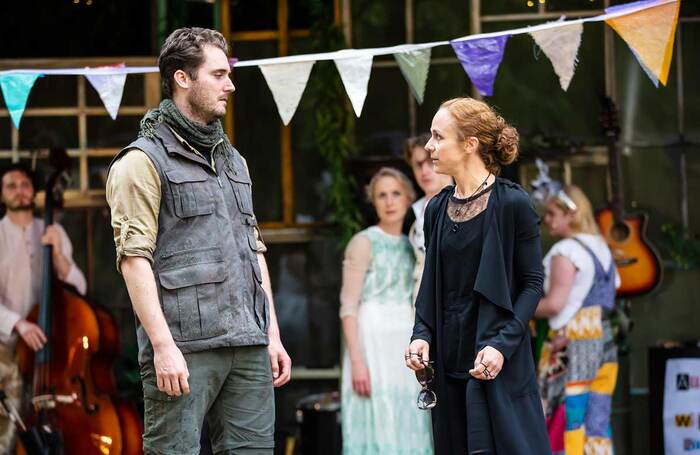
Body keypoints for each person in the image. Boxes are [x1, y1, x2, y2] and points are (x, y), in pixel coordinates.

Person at [106, 27, 291, 454]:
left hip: (248, 342)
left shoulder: (233, 159)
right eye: (219, 74)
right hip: (183, 349)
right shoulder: (141, 162)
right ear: (182, 78)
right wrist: (162, 346)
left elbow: (253, 249)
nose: (231, 84)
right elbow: (133, 260)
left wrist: (272, 335)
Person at [405, 97, 551, 454]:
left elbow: (532, 284)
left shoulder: (513, 204)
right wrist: (421, 334)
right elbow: (431, 285)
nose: (429, 147)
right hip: (448, 364)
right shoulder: (436, 209)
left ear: (469, 144)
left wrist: (501, 346)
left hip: (495, 363)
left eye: (438, 137)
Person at [340, 167, 432, 455]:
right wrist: (357, 361)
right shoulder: (364, 242)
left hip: (404, 341)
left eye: (395, 194)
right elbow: (348, 307)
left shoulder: (411, 245)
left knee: (409, 418)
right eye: (382, 195)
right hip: (372, 340)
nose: (389, 201)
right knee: (377, 418)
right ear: (373, 202)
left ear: (408, 199)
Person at [0, 163, 87, 452]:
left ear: (34, 190)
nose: (19, 190)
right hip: (6, 347)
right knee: (9, 428)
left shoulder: (53, 230)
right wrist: (19, 323)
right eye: (11, 185)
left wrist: (59, 255)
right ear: (2, 195)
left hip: (51, 349)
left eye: (24, 184)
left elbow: (79, 288)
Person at [535, 185, 619, 455]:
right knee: (597, 417)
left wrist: (515, 306)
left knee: (565, 417)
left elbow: (554, 304)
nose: (546, 219)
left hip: (570, 343)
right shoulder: (602, 248)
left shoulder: (566, 251)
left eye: (551, 213)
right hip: (604, 343)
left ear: (570, 214)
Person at [404, 134, 453, 302]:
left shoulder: (469, 203)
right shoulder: (411, 213)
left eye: (431, 161)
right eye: (418, 165)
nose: (424, 171)